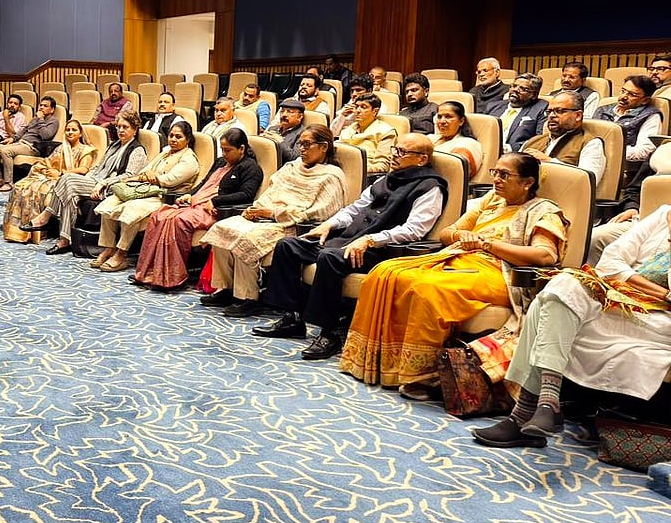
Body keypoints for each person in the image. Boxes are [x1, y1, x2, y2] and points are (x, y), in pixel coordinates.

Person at [339, 153, 568, 399]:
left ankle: (423, 376)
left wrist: (487, 244)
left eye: (505, 175)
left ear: (527, 182)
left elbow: (544, 256)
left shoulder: (544, 211)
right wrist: (462, 237)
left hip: (499, 272)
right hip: (460, 259)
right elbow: (447, 233)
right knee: (385, 272)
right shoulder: (491, 200)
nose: (497, 180)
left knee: (428, 287)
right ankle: (380, 361)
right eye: (495, 172)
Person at [471, 207, 671, 449]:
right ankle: (547, 400)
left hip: (658, 320)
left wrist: (657, 292)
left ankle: (525, 411)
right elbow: (609, 263)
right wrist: (649, 288)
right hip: (618, 302)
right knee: (562, 286)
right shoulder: (663, 214)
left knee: (542, 308)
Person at [253, 133, 448, 360]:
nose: (395, 156)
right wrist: (329, 224)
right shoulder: (387, 178)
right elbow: (355, 209)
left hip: (381, 250)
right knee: (288, 245)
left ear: (422, 159)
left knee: (329, 258)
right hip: (348, 239)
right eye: (395, 149)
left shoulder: (431, 188)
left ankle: (331, 331)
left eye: (402, 152)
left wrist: (372, 239)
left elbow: (415, 230)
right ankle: (292, 318)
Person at [200, 125, 347, 318]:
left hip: (291, 225)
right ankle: (226, 289)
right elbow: (271, 192)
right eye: (300, 144)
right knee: (223, 227)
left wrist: (274, 213)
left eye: (306, 145)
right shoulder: (291, 167)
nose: (301, 149)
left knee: (248, 237)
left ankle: (248, 298)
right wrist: (256, 209)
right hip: (266, 216)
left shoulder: (332, 175)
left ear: (323, 147)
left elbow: (321, 212)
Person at [130, 128, 262, 289]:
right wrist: (190, 194)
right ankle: (149, 272)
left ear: (241, 149)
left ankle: (171, 277)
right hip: (197, 203)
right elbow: (204, 183)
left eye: (228, 150)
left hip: (216, 210)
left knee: (178, 220)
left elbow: (246, 195)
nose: (224, 154)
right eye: (222, 150)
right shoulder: (221, 162)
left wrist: (216, 201)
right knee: (160, 215)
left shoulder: (251, 167)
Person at [21, 109, 147, 255]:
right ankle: (64, 241)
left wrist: (103, 183)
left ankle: (45, 217)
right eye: (118, 127)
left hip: (111, 188)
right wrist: (87, 178)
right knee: (71, 195)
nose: (120, 130)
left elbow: (129, 176)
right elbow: (99, 167)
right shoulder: (115, 145)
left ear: (135, 129)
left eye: (125, 127)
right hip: (96, 181)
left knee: (67, 178)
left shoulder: (137, 150)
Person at [92, 123, 201, 273]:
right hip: (145, 191)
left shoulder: (190, 160)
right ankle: (108, 248)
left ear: (187, 139)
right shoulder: (166, 152)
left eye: (178, 137)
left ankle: (121, 254)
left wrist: (151, 177)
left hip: (164, 197)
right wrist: (148, 176)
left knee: (131, 209)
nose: (173, 140)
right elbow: (144, 171)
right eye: (171, 136)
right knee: (109, 203)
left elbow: (169, 180)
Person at [1, 119, 96, 243]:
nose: (70, 132)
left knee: (37, 189)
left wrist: (61, 173)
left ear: (80, 133)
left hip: (69, 180)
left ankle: (35, 231)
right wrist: (48, 171)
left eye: (74, 130)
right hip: (53, 176)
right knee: (21, 186)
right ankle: (16, 232)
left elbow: (84, 169)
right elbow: (48, 162)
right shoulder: (61, 148)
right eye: (68, 130)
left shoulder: (86, 150)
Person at [590, 141, 671, 264]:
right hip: (643, 220)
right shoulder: (661, 151)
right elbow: (634, 190)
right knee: (597, 238)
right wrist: (632, 207)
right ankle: (596, 280)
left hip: (665, 228)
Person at [520, 90, 605, 185]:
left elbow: (587, 182)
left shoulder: (591, 143)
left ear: (578, 115)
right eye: (549, 111)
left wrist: (549, 162)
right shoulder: (533, 141)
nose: (551, 116)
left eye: (559, 111)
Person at [0, 96, 60, 192]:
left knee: (6, 151)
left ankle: (9, 183)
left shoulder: (53, 121)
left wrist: (40, 120)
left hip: (33, 147)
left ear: (52, 109)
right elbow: (23, 131)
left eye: (45, 106)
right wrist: (12, 138)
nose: (41, 107)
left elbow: (46, 136)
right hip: (20, 143)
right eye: (40, 105)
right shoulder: (34, 119)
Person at [593, 75, 661, 178]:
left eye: (632, 94)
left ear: (645, 100)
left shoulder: (650, 115)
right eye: (623, 91)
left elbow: (644, 151)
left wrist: (609, 151)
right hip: (593, 159)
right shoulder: (603, 110)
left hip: (623, 167)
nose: (624, 96)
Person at [338, 93, 398, 174]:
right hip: (340, 170)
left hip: (364, 175)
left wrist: (357, 169)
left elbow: (382, 166)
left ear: (375, 111)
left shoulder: (386, 132)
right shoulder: (348, 129)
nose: (358, 111)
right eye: (356, 107)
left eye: (363, 107)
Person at [429, 100, 484, 179]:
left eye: (448, 117)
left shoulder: (469, 144)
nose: (442, 121)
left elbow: (457, 171)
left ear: (461, 121)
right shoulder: (430, 138)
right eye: (439, 117)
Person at [497, 73, 548, 153]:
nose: (515, 90)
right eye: (514, 86)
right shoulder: (494, 106)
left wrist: (509, 149)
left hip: (515, 155)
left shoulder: (541, 108)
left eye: (523, 89)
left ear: (534, 95)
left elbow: (539, 140)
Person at [261, 98, 307, 165]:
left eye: (289, 112)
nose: (284, 115)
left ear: (300, 117)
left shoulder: (303, 134)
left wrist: (280, 142)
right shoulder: (272, 129)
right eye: (282, 111)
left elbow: (295, 157)